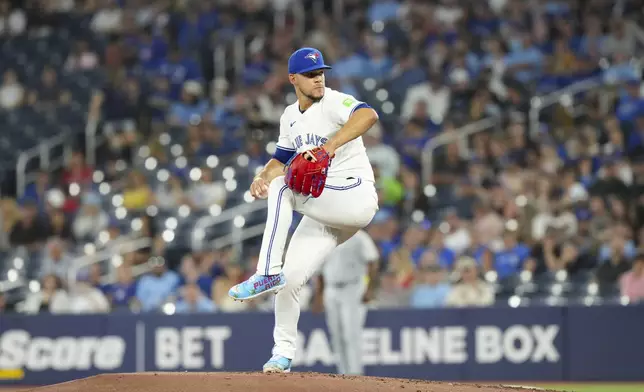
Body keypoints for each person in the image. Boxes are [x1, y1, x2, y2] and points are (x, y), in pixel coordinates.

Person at [227, 47, 379, 373]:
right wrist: (261, 176)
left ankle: (265, 271)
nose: (318, 78)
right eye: (311, 75)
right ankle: (281, 355)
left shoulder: (334, 101)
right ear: (293, 79)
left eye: (321, 72)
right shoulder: (289, 116)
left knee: (284, 187)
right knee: (291, 278)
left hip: (354, 196)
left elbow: (368, 115)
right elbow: (280, 158)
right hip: (325, 211)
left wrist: (329, 147)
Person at [315, 229, 379, 375]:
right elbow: (320, 271)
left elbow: (372, 262)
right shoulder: (326, 239)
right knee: (336, 335)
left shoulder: (359, 237)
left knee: (351, 334)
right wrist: (318, 296)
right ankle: (343, 374)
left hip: (353, 287)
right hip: (331, 289)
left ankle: (356, 375)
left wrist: (369, 288)